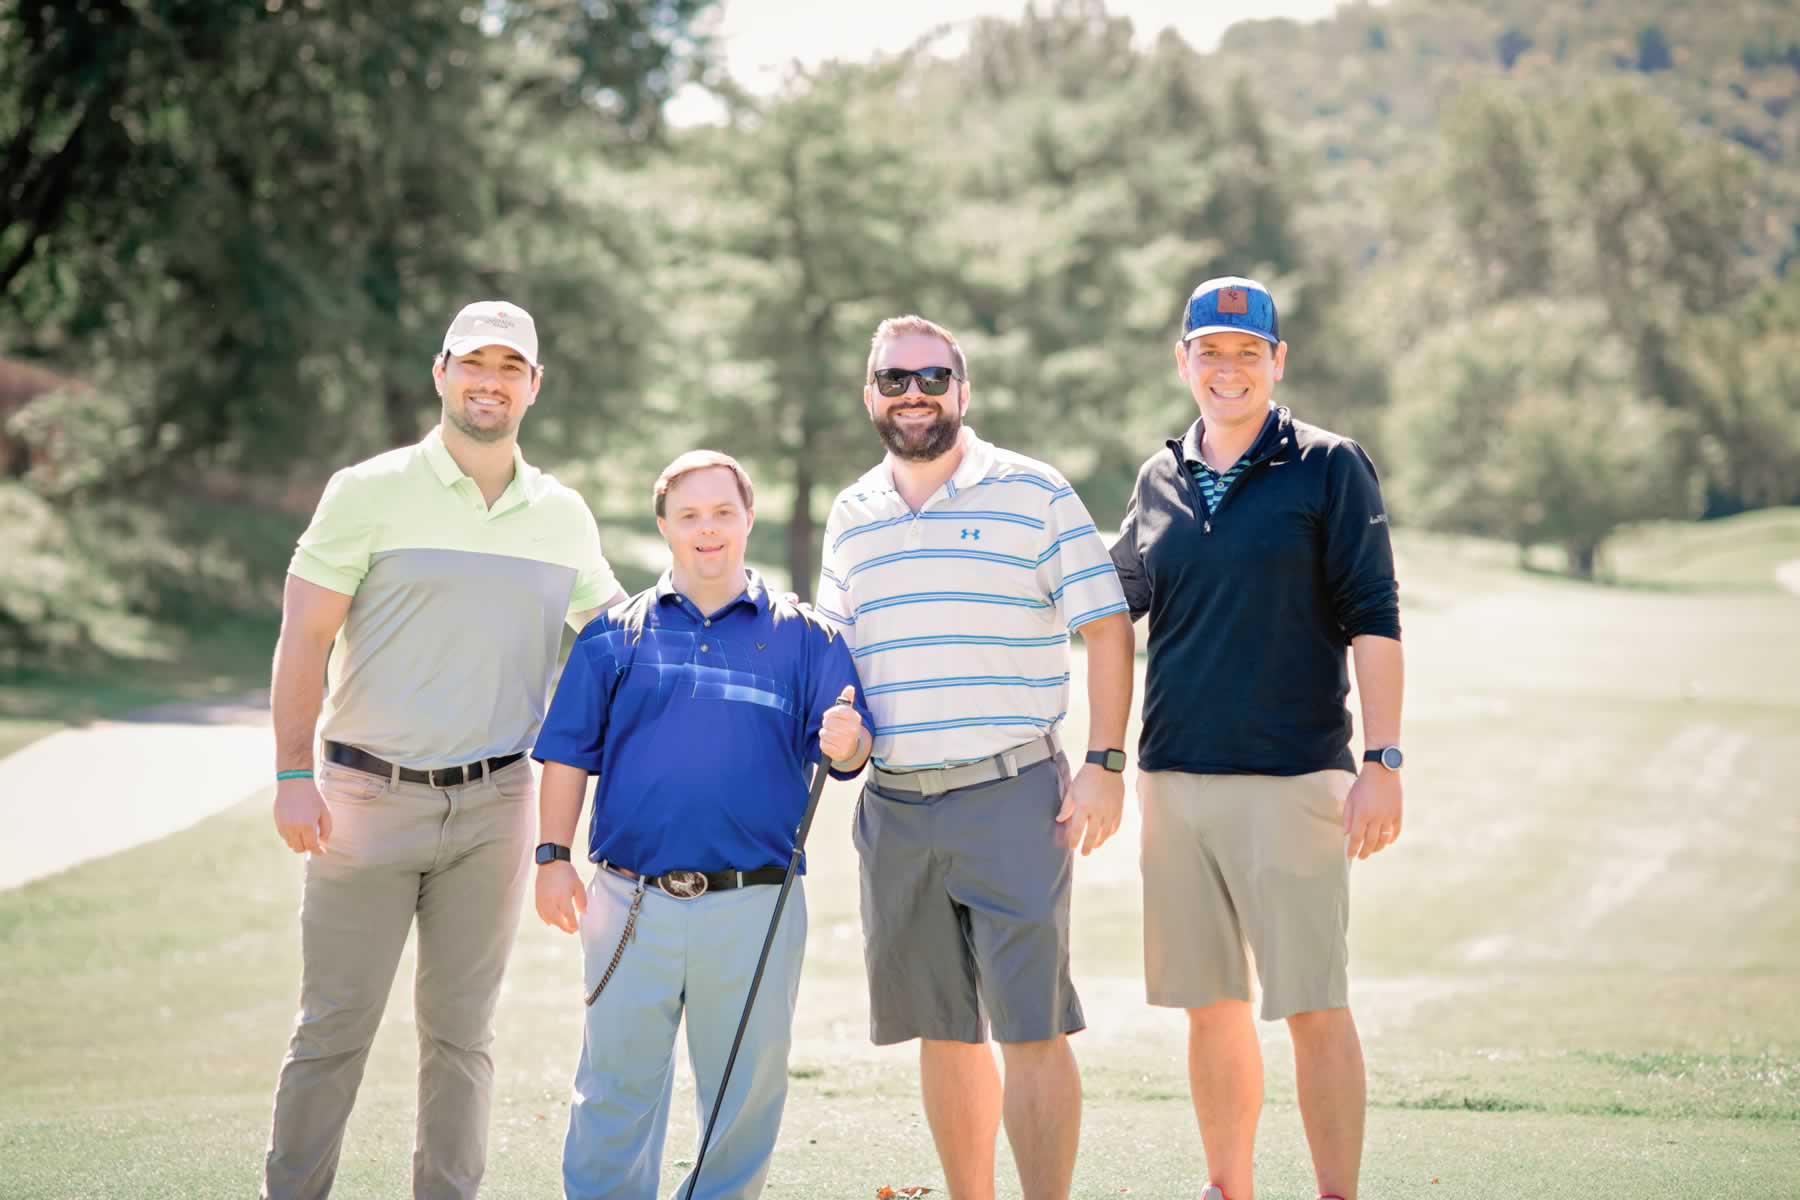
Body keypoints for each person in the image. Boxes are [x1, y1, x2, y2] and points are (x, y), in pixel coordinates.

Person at [262, 300, 627, 1200]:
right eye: (473, 364)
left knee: (463, 1037)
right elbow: (303, 639)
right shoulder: (367, 491)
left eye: (509, 368)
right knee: (334, 1030)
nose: (489, 383)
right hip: (363, 801)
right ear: (441, 373)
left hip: (496, 806)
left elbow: (618, 644)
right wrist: (293, 774)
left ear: (534, 386)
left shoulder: (563, 515)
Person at [814, 315, 1136, 1200]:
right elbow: (841, 667)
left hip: (1011, 796)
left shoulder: (1034, 491)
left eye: (932, 377)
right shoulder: (851, 513)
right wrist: (848, 743)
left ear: (963, 390)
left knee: (1031, 1026)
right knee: (943, 1028)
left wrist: (1106, 763)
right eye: (894, 379)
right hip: (895, 807)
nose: (913, 394)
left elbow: (1108, 627)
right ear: (870, 395)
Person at [1109, 277, 1404, 1200]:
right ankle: (1227, 1186)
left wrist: (1383, 760)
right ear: (1183, 361)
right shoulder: (1158, 477)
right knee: (1210, 1006)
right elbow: (1109, 600)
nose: (1227, 369)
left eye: (1247, 352)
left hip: (1293, 778)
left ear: (1277, 361)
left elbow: (1375, 616)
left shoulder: (1329, 465)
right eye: (1210, 351)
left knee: (1312, 1004)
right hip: (1174, 782)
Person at [532, 450, 873, 1200]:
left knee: (741, 1099)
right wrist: (552, 857)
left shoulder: (806, 636)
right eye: (689, 515)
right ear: (664, 525)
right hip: (629, 901)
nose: (707, 529)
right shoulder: (612, 634)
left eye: (723, 512)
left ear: (748, 518)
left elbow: (848, 748)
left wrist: (849, 742)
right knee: (614, 1089)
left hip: (756, 903)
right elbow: (567, 755)